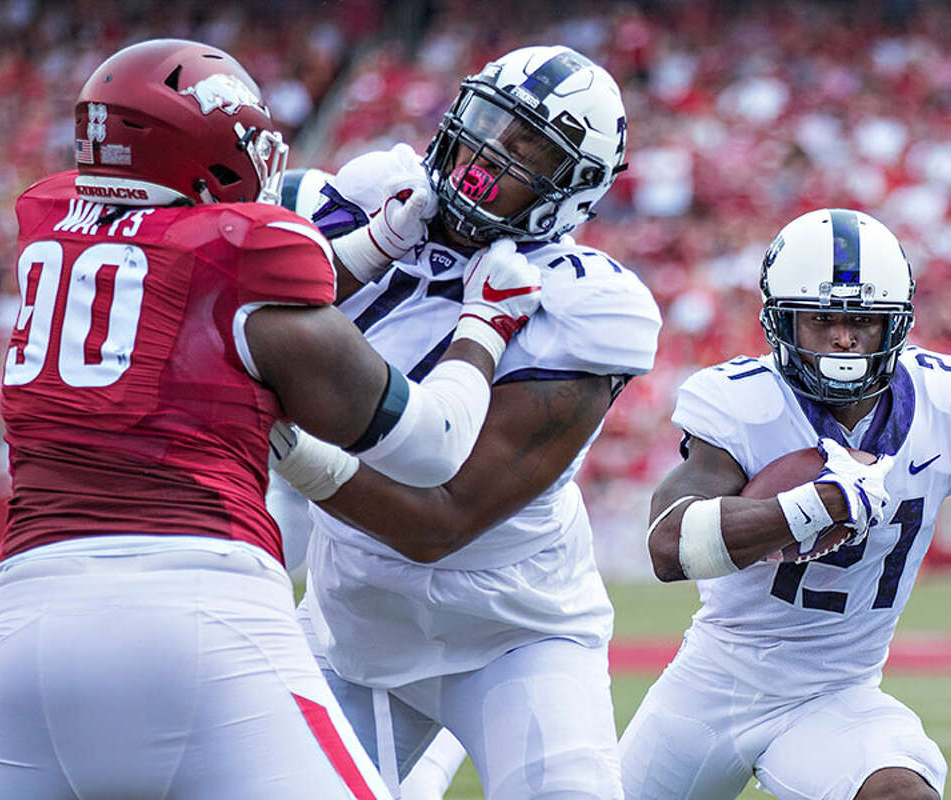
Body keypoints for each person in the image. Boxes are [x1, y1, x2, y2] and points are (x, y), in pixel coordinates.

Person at [0, 38, 542, 800]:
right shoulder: (244, 258)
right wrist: (484, 328)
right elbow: (433, 449)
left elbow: (189, 289)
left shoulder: (50, 237)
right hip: (204, 619)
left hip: (20, 634)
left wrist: (378, 243)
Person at [272, 45, 661, 798]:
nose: (487, 149)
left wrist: (293, 451)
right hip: (354, 629)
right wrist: (374, 244)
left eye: (526, 147)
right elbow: (250, 310)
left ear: (569, 190)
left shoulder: (579, 306)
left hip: (512, 633)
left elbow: (437, 524)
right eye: (488, 121)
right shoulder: (373, 199)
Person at [619, 208, 951, 800]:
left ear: (895, 325)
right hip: (712, 685)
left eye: (863, 319)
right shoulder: (742, 401)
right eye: (822, 318)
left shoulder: (948, 404)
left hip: (838, 694)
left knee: (901, 792)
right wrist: (815, 505)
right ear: (783, 322)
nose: (844, 337)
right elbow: (668, 547)